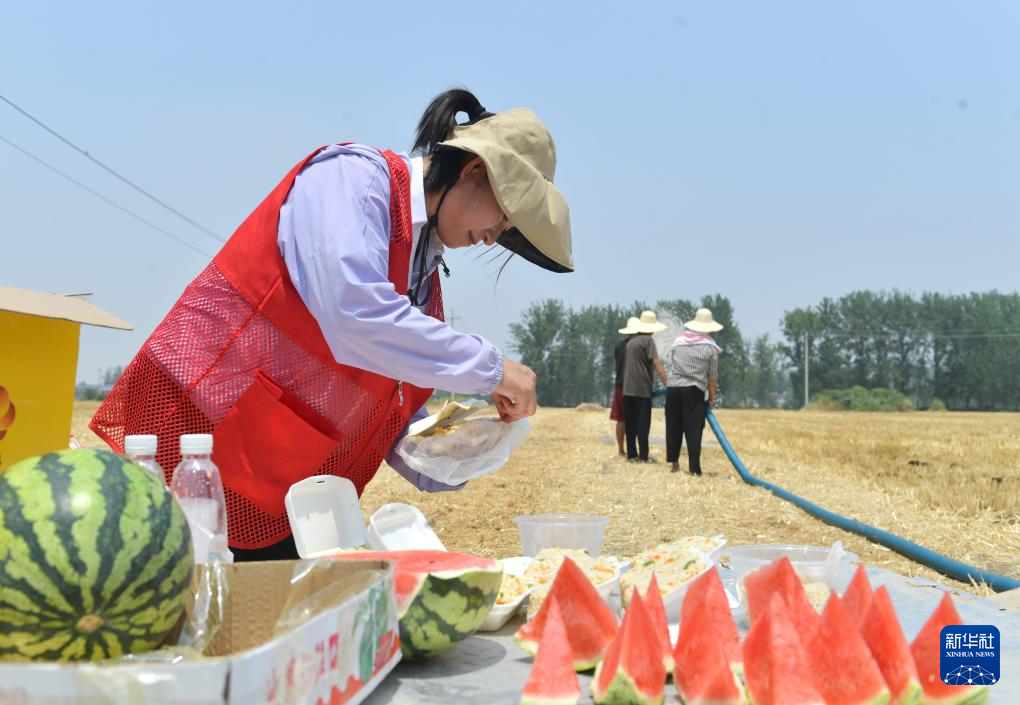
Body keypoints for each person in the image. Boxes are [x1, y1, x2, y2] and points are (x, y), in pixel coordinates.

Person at [90, 89, 572, 560]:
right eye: (503, 216)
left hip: (285, 488)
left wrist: (444, 453)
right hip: (195, 446)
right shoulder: (350, 180)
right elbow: (353, 311)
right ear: (473, 170)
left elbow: (385, 398)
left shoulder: (424, 270)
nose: (493, 238)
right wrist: (490, 368)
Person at [665, 308, 723, 475]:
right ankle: (694, 469)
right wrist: (712, 397)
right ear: (709, 327)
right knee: (693, 430)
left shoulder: (678, 341)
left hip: (673, 388)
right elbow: (712, 377)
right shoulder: (710, 347)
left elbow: (673, 363)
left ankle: (674, 465)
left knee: (673, 427)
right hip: (693, 390)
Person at [621, 311, 669, 462]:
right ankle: (643, 456)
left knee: (631, 423)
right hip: (642, 389)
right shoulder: (648, 341)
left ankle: (631, 454)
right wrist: (669, 382)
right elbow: (656, 362)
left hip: (627, 388)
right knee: (643, 424)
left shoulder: (631, 341)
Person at [610, 318, 639, 455]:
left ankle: (621, 450)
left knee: (621, 419)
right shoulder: (639, 346)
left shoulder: (618, 347)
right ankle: (634, 450)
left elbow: (615, 366)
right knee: (635, 418)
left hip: (620, 385)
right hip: (634, 387)